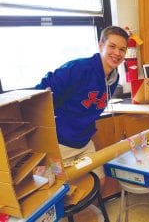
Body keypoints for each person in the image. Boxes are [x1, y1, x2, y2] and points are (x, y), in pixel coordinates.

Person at [35, 26, 129, 183]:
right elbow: (41, 93)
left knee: (99, 180)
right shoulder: (78, 68)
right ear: (101, 46)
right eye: (112, 46)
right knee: (52, 188)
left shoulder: (114, 78)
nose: (117, 53)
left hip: (84, 143)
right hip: (59, 146)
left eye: (122, 49)